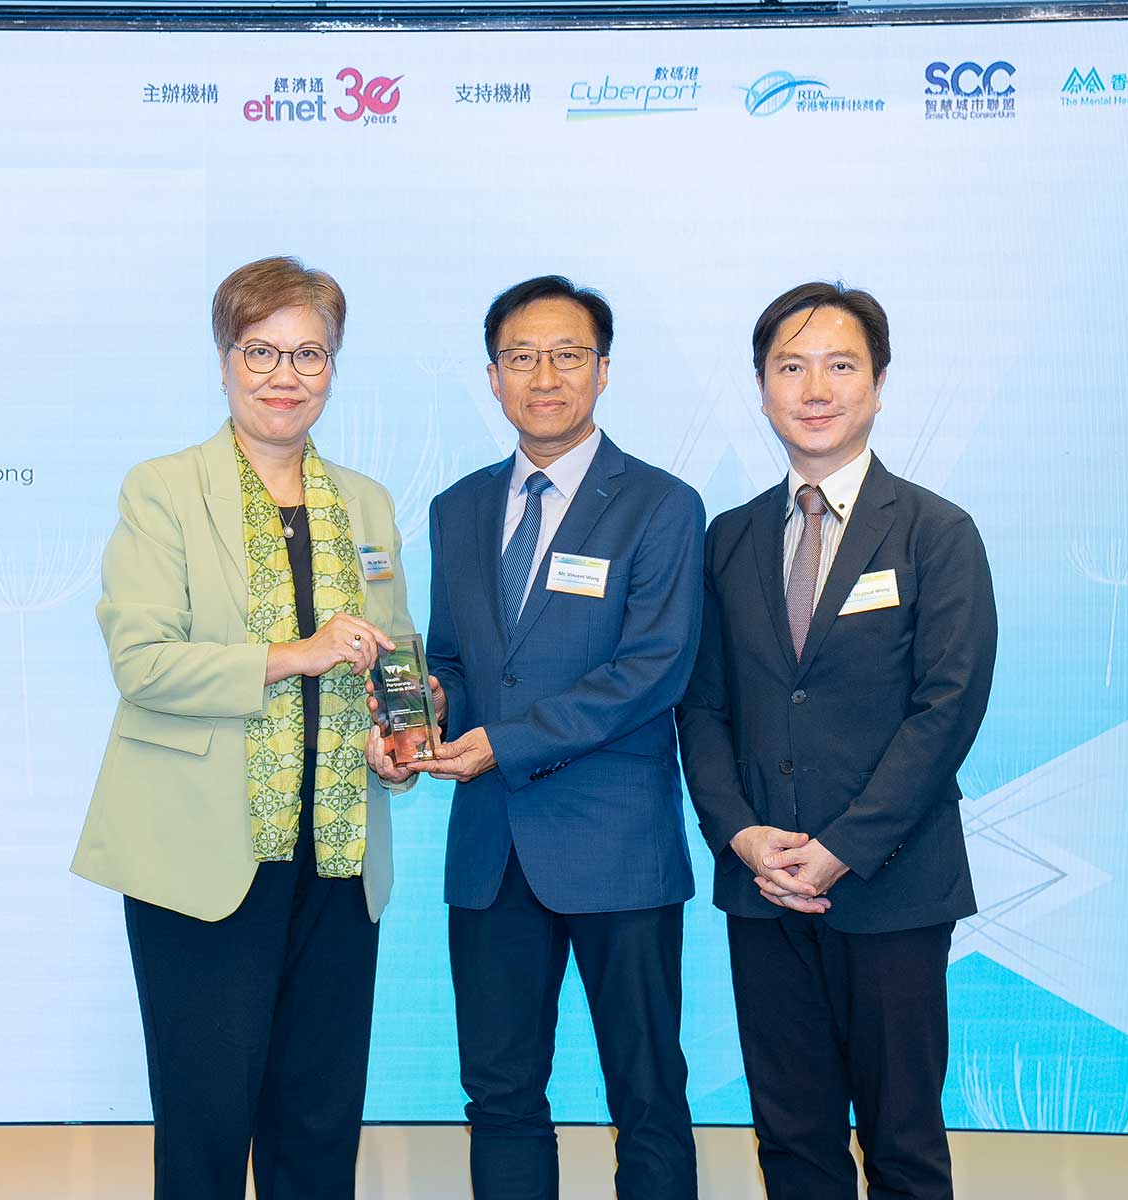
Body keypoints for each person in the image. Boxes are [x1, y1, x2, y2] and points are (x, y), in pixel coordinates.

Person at [73, 256, 416, 1200]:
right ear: (225, 359)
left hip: (338, 859)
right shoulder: (163, 490)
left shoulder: (367, 502)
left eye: (309, 354)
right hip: (203, 858)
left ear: (334, 366)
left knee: (319, 1128)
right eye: (260, 351)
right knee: (206, 1129)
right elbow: (143, 662)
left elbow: (391, 650)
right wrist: (295, 654)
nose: (284, 375)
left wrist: (398, 737)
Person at [372, 275, 706, 1200]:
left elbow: (652, 670)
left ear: (603, 370)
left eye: (566, 355)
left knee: (647, 1092)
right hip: (492, 850)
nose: (544, 376)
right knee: (500, 1095)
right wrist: (425, 711)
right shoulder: (458, 508)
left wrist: (502, 744)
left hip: (617, 847)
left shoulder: (661, 504)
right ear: (492, 376)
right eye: (521, 357)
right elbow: (456, 656)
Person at [675, 282, 998, 1200]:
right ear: (762, 388)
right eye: (791, 367)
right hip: (763, 887)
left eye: (841, 365)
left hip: (892, 887)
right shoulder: (729, 538)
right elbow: (702, 709)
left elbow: (947, 709)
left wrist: (843, 848)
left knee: (903, 1147)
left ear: (879, 385)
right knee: (792, 1143)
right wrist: (742, 836)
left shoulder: (937, 532)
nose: (815, 389)